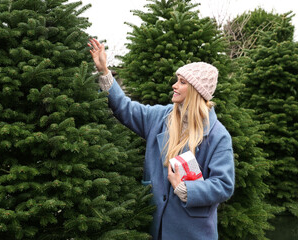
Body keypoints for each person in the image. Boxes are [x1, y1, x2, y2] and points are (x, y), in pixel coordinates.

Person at [88, 38, 235, 240]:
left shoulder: (218, 135)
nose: (175, 85)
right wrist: (104, 71)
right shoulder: (159, 117)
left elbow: (224, 185)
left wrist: (186, 190)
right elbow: (125, 108)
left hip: (192, 232)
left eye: (182, 82)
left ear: (195, 91)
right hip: (154, 228)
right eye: (177, 80)